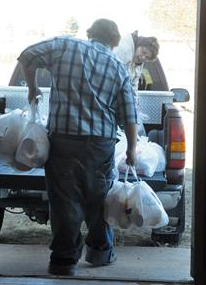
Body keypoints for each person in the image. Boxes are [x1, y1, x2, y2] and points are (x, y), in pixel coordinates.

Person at [17, 19, 139, 276]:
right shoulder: (118, 67)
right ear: (115, 40)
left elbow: (27, 56)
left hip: (63, 140)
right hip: (100, 144)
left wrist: (32, 87)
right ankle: (100, 253)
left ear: (90, 33)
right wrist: (131, 149)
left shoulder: (64, 45)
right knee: (99, 199)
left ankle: (63, 261)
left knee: (64, 200)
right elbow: (129, 115)